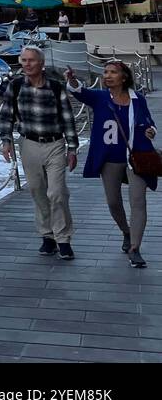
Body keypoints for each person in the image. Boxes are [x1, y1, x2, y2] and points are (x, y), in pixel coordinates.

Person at [65, 60, 158, 268]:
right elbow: (79, 91)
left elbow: (150, 122)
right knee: (113, 202)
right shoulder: (99, 97)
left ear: (123, 77)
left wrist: (151, 131)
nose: (107, 76)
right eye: (105, 72)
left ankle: (135, 248)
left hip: (137, 157)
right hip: (109, 158)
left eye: (112, 72)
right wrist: (71, 79)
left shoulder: (138, 100)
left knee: (138, 202)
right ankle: (126, 231)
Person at [0, 46, 80, 258]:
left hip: (54, 143)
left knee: (57, 192)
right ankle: (47, 236)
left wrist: (72, 148)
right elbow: (7, 115)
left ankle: (63, 238)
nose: (27, 64)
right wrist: (5, 141)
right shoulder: (15, 86)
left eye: (31, 60)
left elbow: (67, 118)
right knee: (37, 191)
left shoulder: (55, 86)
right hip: (28, 144)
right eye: (24, 60)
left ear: (41, 63)